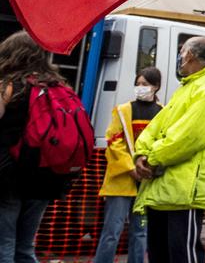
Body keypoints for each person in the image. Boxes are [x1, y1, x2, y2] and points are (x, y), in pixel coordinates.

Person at [133, 36, 205, 263]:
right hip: (168, 185)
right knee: (160, 253)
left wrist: (149, 157)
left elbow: (189, 136)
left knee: (181, 254)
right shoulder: (190, 87)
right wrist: (142, 153)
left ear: (189, 55)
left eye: (182, 53)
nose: (180, 58)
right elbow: (158, 126)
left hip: (185, 187)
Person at [0, 32, 80, 263]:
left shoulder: (9, 86)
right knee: (25, 246)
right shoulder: (59, 87)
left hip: (9, 175)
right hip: (46, 175)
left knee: (4, 243)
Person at [93, 67, 164, 263]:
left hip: (147, 180)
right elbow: (113, 141)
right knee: (112, 231)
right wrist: (131, 168)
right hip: (123, 179)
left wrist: (150, 167)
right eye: (138, 83)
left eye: (145, 84)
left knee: (140, 232)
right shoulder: (123, 110)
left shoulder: (163, 112)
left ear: (156, 86)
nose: (140, 87)